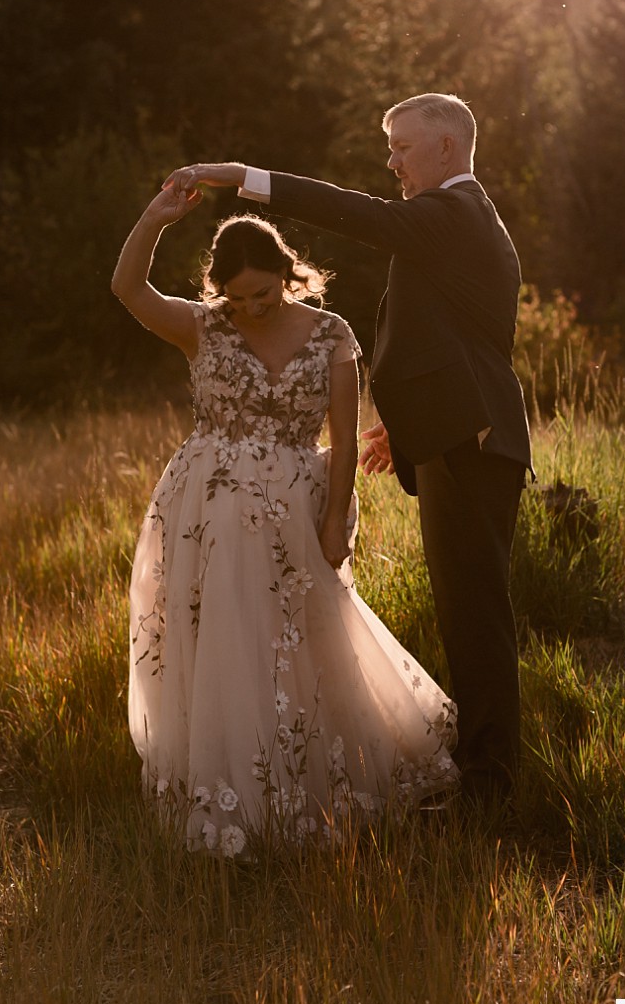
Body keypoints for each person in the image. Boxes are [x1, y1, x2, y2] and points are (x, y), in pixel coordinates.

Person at [164, 92, 533, 813]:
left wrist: (241, 175)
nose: (391, 161)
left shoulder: (450, 213)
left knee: (475, 611)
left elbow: (350, 211)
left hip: (474, 440)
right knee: (465, 608)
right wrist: (413, 419)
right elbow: (465, 335)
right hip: (462, 431)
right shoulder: (456, 223)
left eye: (402, 147)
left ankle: (492, 786)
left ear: (447, 149)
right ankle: (486, 769)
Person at [112, 195, 459, 856]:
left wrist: (336, 521)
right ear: (220, 291)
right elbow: (126, 288)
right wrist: (156, 215)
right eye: (240, 298)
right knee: (225, 642)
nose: (255, 307)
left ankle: (312, 787)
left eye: (265, 293)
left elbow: (343, 440)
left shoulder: (331, 334)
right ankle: (235, 794)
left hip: (296, 511)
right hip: (207, 513)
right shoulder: (203, 327)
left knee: (303, 643)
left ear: (287, 271)